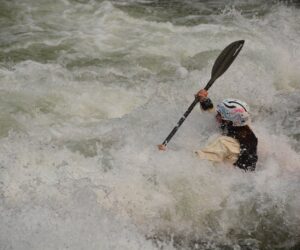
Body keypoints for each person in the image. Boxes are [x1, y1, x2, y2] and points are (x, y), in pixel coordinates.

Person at [158, 89, 258, 171]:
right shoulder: (245, 127)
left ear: (228, 121)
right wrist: (205, 101)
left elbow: (196, 159)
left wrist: (167, 153)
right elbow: (213, 115)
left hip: (228, 176)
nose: (217, 116)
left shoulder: (224, 142)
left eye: (220, 115)